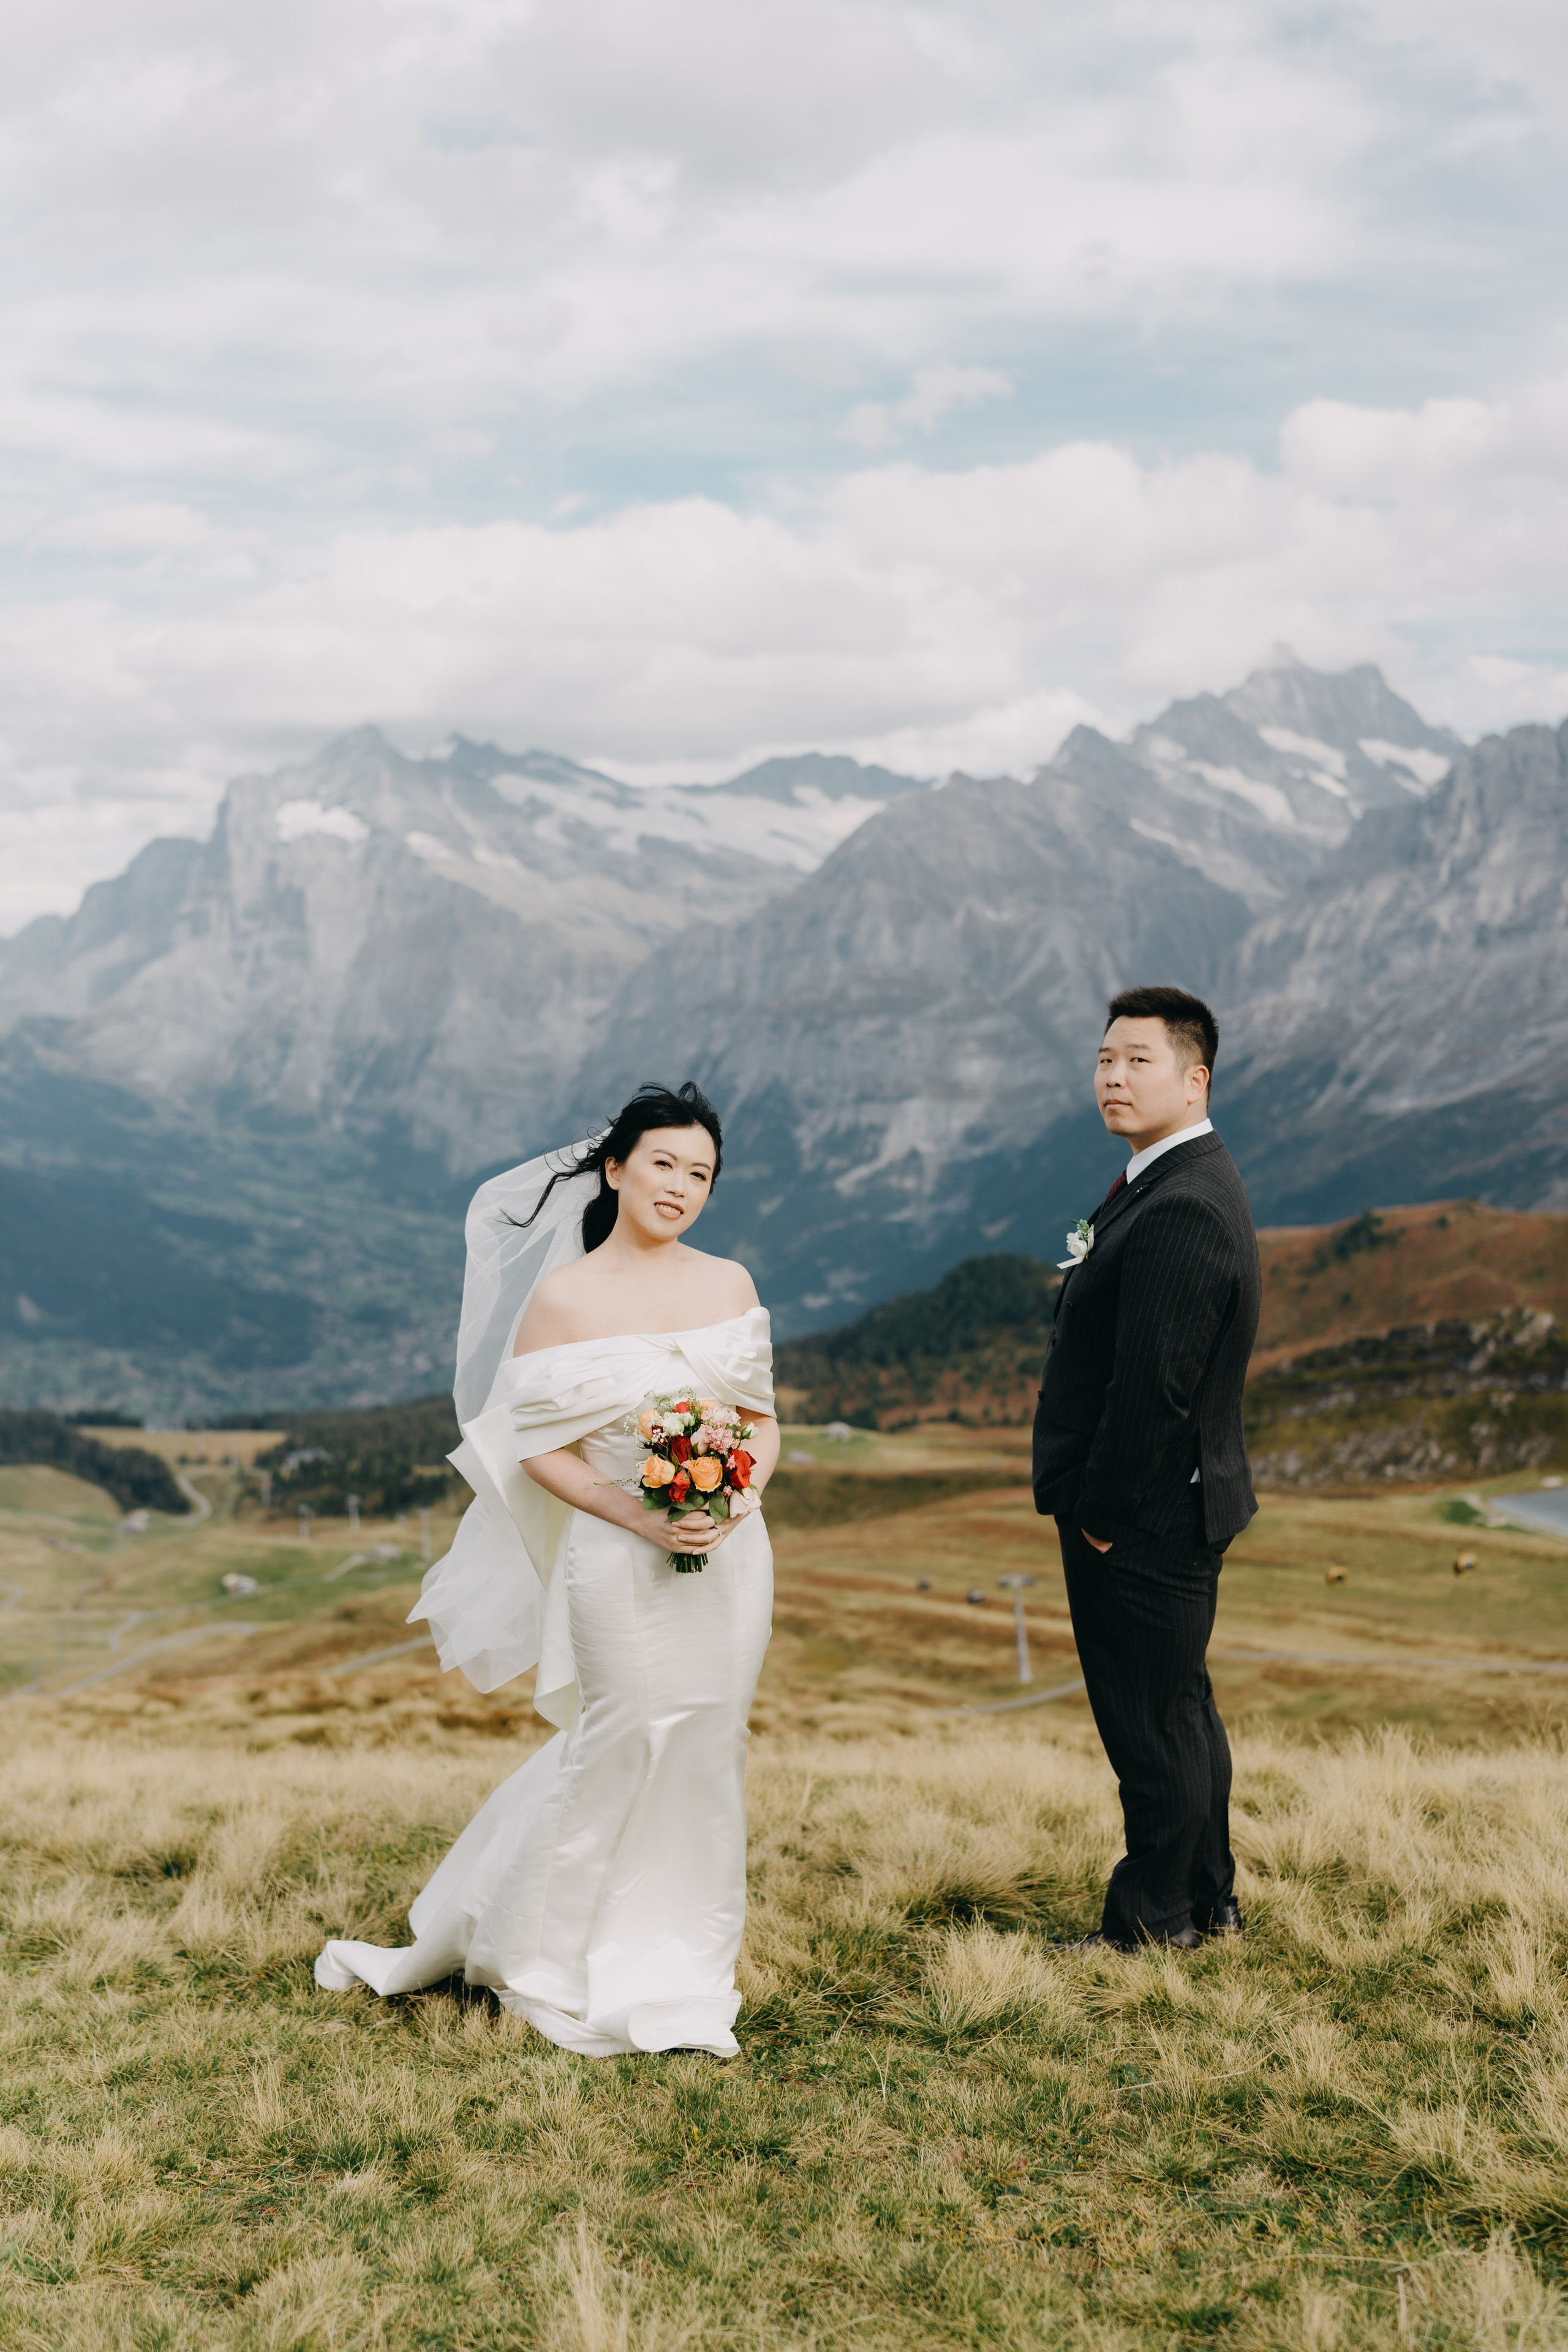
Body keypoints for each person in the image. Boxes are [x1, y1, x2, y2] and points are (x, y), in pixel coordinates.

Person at [315, 1081, 780, 2056]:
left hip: (729, 1551)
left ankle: (683, 1960)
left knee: (709, 1741)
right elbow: (535, 1449)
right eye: (664, 1163)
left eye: (701, 1173)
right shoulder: (564, 1296)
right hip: (616, 1549)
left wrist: (732, 1501)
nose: (682, 1186)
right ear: (616, 1169)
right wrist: (635, 1515)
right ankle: (542, 1955)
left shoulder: (730, 1283)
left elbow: (763, 1425)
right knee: (617, 1735)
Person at [1033, 986, 1261, 1951]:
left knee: (1150, 1726)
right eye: (1104, 1059)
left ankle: (1152, 1922)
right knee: (1179, 1707)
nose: (1113, 1078)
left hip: (1144, 1516)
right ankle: (1207, 1898)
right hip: (1163, 1508)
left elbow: (1153, 1389)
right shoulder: (1162, 1179)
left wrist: (1102, 1516)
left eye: (1138, 1061)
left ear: (1193, 1077)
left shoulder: (1183, 1207)